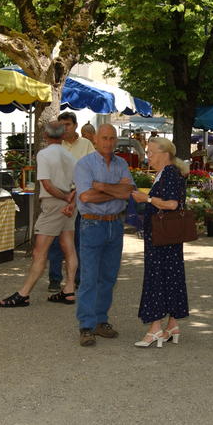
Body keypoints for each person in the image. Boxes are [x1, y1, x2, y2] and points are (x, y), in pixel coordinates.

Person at [0, 122, 78, 307]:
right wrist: (71, 202)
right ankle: (69, 289)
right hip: (69, 206)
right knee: (69, 247)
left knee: (39, 251)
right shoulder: (70, 156)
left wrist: (65, 198)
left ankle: (24, 293)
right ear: (63, 135)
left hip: (53, 205)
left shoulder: (43, 154)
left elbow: (47, 185)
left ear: (45, 136)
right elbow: (78, 184)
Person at [74, 124, 135, 347]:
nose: (108, 143)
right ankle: (86, 326)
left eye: (112, 138)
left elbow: (128, 193)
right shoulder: (84, 165)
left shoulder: (121, 164)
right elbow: (86, 198)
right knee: (89, 278)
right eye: (105, 138)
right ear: (96, 140)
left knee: (108, 278)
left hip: (115, 225)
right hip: (91, 225)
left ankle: (101, 321)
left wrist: (101, 187)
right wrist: (115, 189)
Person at [129, 137, 190, 348]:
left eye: (151, 152)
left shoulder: (170, 173)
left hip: (162, 238)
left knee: (158, 277)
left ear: (164, 153)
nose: (148, 157)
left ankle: (155, 328)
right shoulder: (168, 173)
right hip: (166, 237)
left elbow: (172, 204)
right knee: (170, 277)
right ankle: (172, 325)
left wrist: (146, 199)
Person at [47, 111, 96, 293]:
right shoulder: (54, 144)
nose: (64, 128)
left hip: (80, 197)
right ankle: (54, 278)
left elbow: (93, 168)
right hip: (58, 195)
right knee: (54, 240)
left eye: (67, 125)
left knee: (78, 239)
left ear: (75, 125)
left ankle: (77, 278)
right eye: (61, 125)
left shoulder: (86, 144)